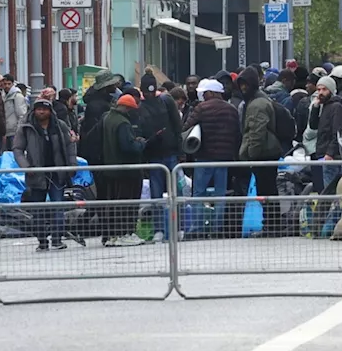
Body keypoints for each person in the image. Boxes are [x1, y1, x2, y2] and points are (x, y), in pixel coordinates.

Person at [14, 99, 77, 250]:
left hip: (57, 173)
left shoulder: (60, 126)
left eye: (45, 109)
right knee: (38, 210)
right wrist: (27, 168)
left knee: (58, 206)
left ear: (50, 111)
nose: (41, 112)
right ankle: (42, 241)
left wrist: (72, 165)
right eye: (38, 109)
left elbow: (70, 145)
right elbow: (17, 149)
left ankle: (57, 239)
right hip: (36, 174)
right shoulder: (26, 128)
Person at [182, 79, 240, 238]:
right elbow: (237, 133)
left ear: (211, 93)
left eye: (204, 93)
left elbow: (186, 127)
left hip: (204, 157)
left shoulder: (201, 108)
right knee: (220, 194)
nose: (202, 96)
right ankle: (217, 228)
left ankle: (198, 228)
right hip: (224, 158)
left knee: (199, 193)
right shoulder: (232, 110)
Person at [236, 66, 285, 234]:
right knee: (268, 190)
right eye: (241, 85)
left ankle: (271, 225)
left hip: (263, 153)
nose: (243, 88)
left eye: (245, 85)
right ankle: (272, 225)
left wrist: (251, 155)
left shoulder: (257, 104)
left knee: (267, 191)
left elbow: (256, 132)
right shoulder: (259, 100)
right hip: (266, 151)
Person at [138, 72, 183, 243]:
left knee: (175, 193)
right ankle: (159, 229)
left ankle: (177, 227)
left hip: (170, 153)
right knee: (157, 195)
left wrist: (180, 151)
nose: (149, 94)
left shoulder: (166, 101)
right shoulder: (141, 107)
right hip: (154, 155)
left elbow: (177, 127)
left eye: (151, 91)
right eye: (146, 91)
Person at [101, 94, 146, 247]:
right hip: (127, 170)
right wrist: (140, 144)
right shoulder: (123, 123)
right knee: (128, 203)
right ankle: (126, 233)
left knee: (115, 203)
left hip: (111, 168)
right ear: (127, 108)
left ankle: (113, 235)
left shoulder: (107, 119)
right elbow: (128, 148)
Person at [309, 75, 342, 192]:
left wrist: (330, 153)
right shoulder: (325, 106)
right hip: (325, 154)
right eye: (318, 89)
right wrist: (315, 108)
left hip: (332, 157)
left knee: (331, 192)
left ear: (331, 90)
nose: (320, 93)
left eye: (324, 89)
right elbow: (313, 125)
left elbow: (338, 132)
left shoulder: (336, 107)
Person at [78, 71, 120, 168]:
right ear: (106, 87)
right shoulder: (97, 106)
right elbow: (94, 132)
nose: (115, 87)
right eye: (113, 84)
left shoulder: (103, 102)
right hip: (99, 154)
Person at [3, 74, 29, 151]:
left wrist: (19, 130)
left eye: (9, 84)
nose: (7, 86)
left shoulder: (17, 96)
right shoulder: (3, 95)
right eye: (5, 84)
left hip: (14, 132)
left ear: (13, 84)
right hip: (6, 131)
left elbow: (22, 114)